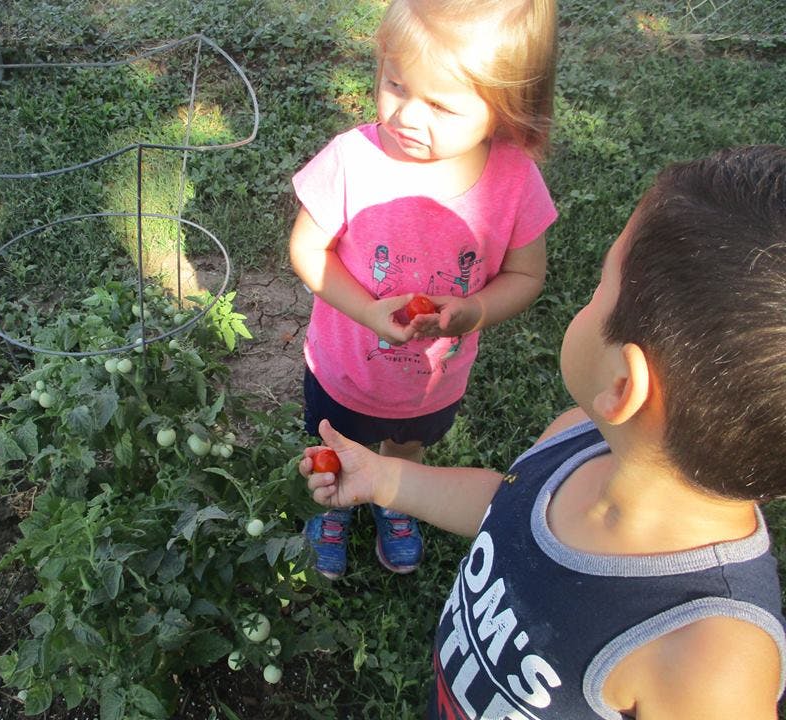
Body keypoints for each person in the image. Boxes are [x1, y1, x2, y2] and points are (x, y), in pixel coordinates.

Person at [301, 145, 786, 719]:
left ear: (623, 385)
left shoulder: (713, 656)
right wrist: (385, 479)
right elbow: (510, 508)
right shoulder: (578, 437)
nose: (588, 299)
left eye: (600, 287)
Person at [289, 0, 559, 579]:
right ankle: (332, 504)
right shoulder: (352, 160)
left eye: (440, 104)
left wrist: (475, 309)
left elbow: (526, 276)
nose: (408, 115)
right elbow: (308, 251)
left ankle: (395, 494)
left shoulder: (513, 181)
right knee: (332, 442)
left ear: (506, 107)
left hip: (433, 384)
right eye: (395, 84)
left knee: (409, 446)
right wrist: (367, 310)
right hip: (344, 369)